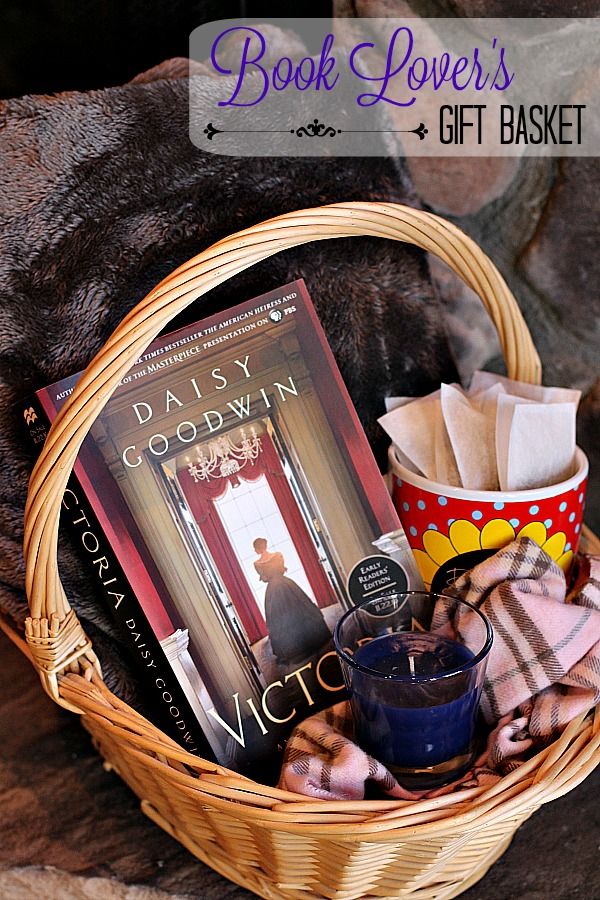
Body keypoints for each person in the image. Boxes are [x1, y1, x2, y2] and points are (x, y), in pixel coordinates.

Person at [253, 538, 332, 666]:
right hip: (286, 584)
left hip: (273, 590)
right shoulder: (278, 555)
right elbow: (282, 569)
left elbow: (265, 578)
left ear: (257, 549)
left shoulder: (257, 564)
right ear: (266, 545)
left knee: (279, 617)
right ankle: (313, 638)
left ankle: (294, 648)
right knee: (301, 608)